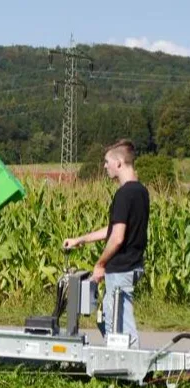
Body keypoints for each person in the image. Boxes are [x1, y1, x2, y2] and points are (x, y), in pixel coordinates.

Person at [63, 139, 149, 348]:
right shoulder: (141, 192)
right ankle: (126, 368)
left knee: (118, 325)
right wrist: (80, 239)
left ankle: (130, 371)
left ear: (119, 163)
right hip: (134, 265)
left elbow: (117, 237)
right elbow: (113, 230)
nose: (104, 166)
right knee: (107, 319)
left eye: (107, 161)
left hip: (121, 269)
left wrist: (100, 264)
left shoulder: (123, 194)